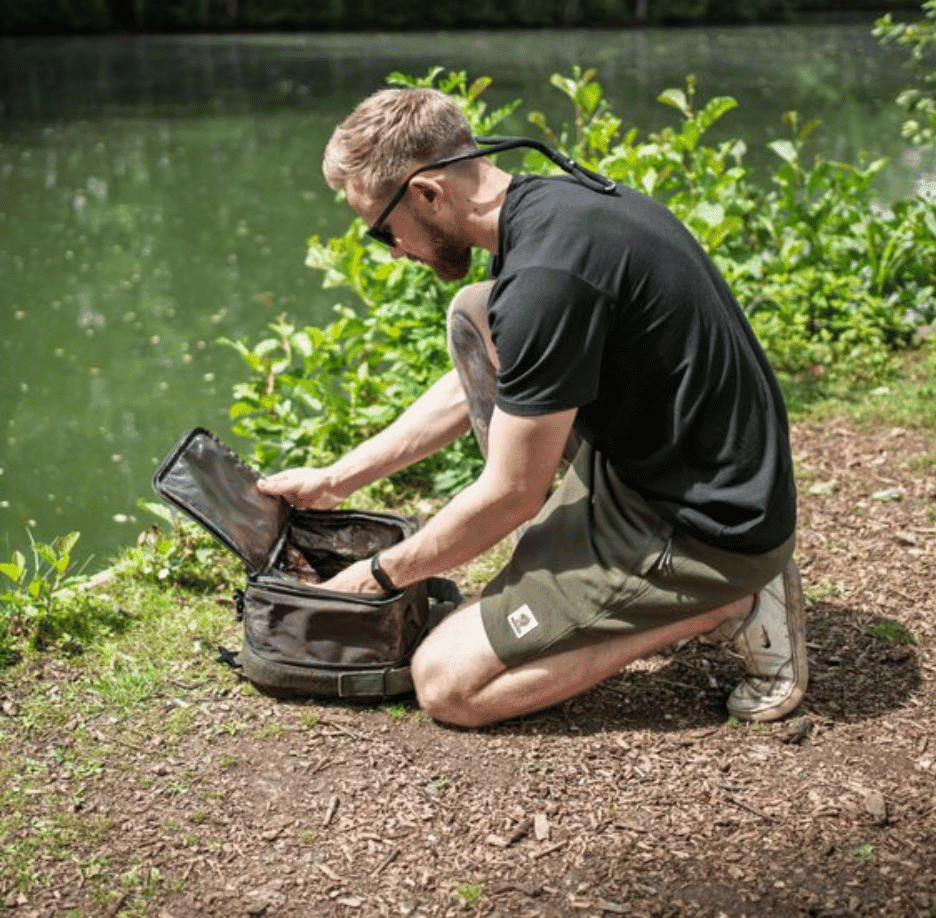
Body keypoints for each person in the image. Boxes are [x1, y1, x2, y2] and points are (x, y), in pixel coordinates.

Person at [258, 86, 807, 729]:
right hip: (676, 463)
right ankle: (581, 576)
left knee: (445, 686)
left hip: (708, 525)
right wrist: (336, 479)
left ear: (429, 193)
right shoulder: (547, 208)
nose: (393, 249)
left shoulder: (547, 278)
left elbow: (511, 495)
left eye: (382, 231)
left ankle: (727, 605)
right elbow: (511, 371)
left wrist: (374, 576)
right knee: (476, 313)